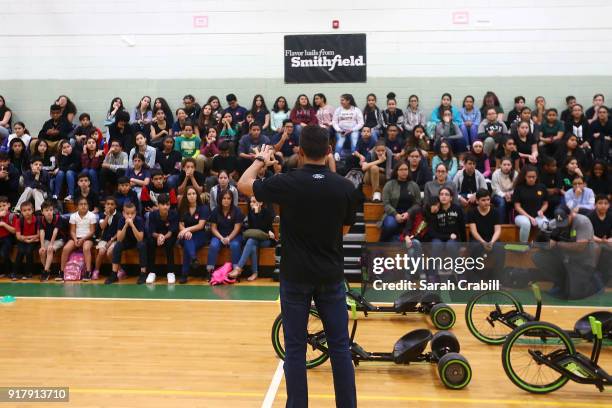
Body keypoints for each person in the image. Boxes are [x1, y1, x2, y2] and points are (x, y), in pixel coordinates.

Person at [237, 125, 357, 407]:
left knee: (294, 349)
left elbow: (243, 184)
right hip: (330, 275)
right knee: (340, 348)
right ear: (329, 151)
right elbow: (345, 229)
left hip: (295, 277)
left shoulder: (286, 183)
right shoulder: (345, 188)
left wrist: (260, 160)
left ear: (300, 152)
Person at [425, 187, 466, 282]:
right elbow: (432, 232)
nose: (443, 197)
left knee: (451, 245)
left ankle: (460, 273)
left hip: (453, 239)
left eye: (446, 194)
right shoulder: (435, 209)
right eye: (441, 194)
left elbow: (462, 228)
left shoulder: (457, 209)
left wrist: (464, 244)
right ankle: (433, 275)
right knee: (436, 245)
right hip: (438, 238)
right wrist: (447, 236)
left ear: (451, 198)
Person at [230, 196, 275, 281]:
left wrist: (257, 213)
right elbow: (253, 230)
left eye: (254, 202)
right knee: (252, 243)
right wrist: (255, 214)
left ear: (261, 203)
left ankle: (238, 268)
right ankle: (254, 273)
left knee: (252, 241)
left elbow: (261, 229)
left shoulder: (267, 213)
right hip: (255, 239)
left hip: (266, 239)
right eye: (251, 202)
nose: (252, 204)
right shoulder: (251, 213)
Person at [380, 161, 422, 242]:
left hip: (409, 215)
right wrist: (396, 215)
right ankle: (381, 243)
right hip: (392, 214)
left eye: (406, 169)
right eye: (401, 169)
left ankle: (397, 239)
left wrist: (408, 213)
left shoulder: (414, 185)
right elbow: (386, 203)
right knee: (390, 225)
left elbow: (418, 203)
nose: (404, 172)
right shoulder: (389, 184)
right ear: (396, 171)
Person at [106, 202, 147, 285]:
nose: (130, 216)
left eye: (132, 213)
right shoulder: (121, 220)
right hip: (126, 242)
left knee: (142, 245)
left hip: (136, 242)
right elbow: (119, 239)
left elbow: (140, 238)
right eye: (127, 213)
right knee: (117, 245)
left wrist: (132, 225)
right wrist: (125, 225)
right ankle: (114, 274)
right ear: (123, 213)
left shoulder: (139, 220)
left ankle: (143, 274)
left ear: (135, 213)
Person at [467, 189, 503, 280]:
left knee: (500, 249)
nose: (486, 202)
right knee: (474, 247)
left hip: (492, 239)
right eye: (483, 200)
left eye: (488, 199)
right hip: (478, 239)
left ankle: (497, 278)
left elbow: (498, 230)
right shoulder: (472, 212)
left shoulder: (495, 212)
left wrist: (491, 242)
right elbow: (473, 231)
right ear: (477, 201)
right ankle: (475, 279)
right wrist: (483, 243)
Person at [206, 189, 243, 277]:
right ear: (220, 199)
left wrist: (228, 238)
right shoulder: (215, 210)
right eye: (224, 198)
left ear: (232, 200)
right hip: (219, 235)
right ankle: (209, 271)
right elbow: (213, 228)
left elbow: (237, 229)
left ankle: (235, 272)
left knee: (235, 245)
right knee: (213, 245)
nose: (226, 200)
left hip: (234, 236)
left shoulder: (237, 210)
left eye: (228, 198)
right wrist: (221, 238)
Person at [177, 186, 210, 284]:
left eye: (194, 194)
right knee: (187, 240)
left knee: (187, 245)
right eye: (189, 194)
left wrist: (187, 230)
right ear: (186, 196)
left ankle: (184, 274)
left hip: (200, 235)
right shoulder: (182, 208)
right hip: (186, 236)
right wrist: (185, 232)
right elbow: (180, 224)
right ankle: (194, 259)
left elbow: (200, 225)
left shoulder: (203, 208)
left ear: (197, 195)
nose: (192, 196)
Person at [146, 193, 179, 284]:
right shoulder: (152, 214)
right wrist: (159, 236)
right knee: (150, 242)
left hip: (169, 236)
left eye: (167, 204)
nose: (165, 207)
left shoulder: (174, 214)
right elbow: (151, 231)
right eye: (163, 204)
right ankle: (152, 272)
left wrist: (163, 237)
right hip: (156, 235)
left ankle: (170, 272)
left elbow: (172, 231)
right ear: (158, 205)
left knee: (169, 244)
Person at [60, 197, 96, 281]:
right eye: (81, 204)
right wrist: (75, 239)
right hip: (75, 237)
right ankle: (62, 271)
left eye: (85, 204)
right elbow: (72, 231)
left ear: (88, 206)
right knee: (66, 248)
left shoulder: (92, 215)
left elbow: (92, 231)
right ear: (77, 206)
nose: (83, 206)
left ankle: (88, 272)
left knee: (86, 248)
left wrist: (83, 239)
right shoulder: (73, 216)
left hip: (87, 238)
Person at [512, 165, 549, 242]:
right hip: (521, 216)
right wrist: (529, 217)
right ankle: (523, 245)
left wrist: (541, 211)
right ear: (525, 177)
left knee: (546, 224)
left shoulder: (542, 187)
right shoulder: (519, 188)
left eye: (533, 177)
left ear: (536, 177)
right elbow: (517, 206)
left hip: (537, 216)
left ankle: (539, 245)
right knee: (526, 224)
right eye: (529, 177)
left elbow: (545, 203)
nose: (531, 179)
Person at [93, 197, 120, 281]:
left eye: (112, 204)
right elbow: (102, 226)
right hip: (104, 239)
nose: (110, 206)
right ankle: (96, 271)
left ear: (115, 206)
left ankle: (118, 270)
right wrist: (107, 215)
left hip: (115, 239)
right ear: (105, 205)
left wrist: (111, 240)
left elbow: (120, 231)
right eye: (108, 204)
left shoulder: (119, 216)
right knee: (101, 252)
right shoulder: (102, 215)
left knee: (109, 253)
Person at [12, 201, 40, 280]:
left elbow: (38, 235)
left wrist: (29, 239)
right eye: (24, 210)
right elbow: (18, 236)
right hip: (22, 241)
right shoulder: (19, 221)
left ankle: (28, 273)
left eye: (29, 210)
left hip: (33, 241)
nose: (27, 212)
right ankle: (15, 273)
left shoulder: (37, 220)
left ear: (33, 210)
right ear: (21, 212)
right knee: (20, 251)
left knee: (28, 251)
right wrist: (25, 239)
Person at [332, 94, 364, 158]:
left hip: (353, 130)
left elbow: (361, 123)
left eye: (342, 100)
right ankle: (337, 154)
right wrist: (339, 130)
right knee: (341, 140)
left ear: (348, 101)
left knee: (354, 138)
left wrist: (351, 130)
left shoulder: (356, 110)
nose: (341, 102)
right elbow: (334, 122)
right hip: (341, 130)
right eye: (341, 100)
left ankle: (354, 154)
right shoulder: (338, 110)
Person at [491, 157, 517, 223]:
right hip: (497, 195)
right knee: (502, 203)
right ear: (500, 165)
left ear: (511, 166)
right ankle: (501, 225)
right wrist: (504, 195)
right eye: (504, 164)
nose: (506, 167)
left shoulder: (515, 174)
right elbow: (495, 189)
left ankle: (515, 224)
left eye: (508, 165)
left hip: (511, 194)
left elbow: (516, 188)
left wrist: (510, 194)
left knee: (518, 201)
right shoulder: (496, 174)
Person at [0, 196, 15, 278]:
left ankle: (10, 272)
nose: (2, 208)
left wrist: (4, 224)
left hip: (8, 237)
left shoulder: (12, 216)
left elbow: (14, 231)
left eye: (4, 205)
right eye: (0, 206)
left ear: (8, 205)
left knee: (3, 253)